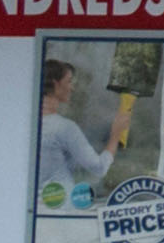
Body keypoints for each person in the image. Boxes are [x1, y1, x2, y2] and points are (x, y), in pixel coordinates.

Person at [36, 57, 121, 204]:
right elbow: (99, 168)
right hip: (63, 209)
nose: (72, 87)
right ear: (56, 84)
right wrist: (116, 134)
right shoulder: (64, 128)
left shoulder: (33, 124)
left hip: (40, 207)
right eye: (69, 81)